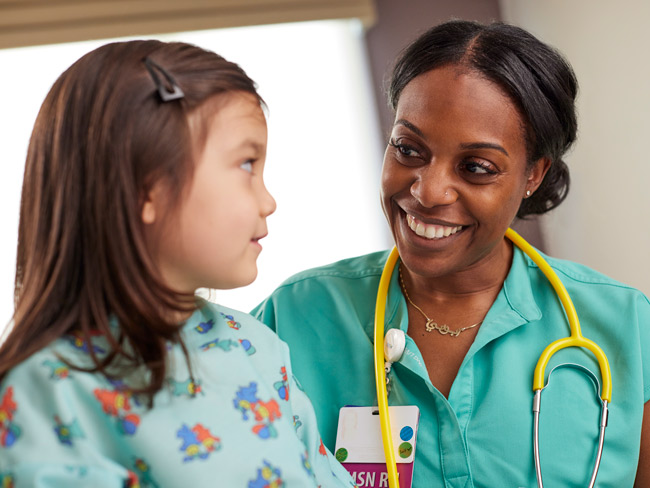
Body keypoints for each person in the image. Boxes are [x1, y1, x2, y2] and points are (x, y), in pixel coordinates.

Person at [253, 20, 650, 487]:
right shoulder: (293, 318)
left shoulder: (626, 323)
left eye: (476, 167)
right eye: (408, 149)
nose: (428, 190)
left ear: (533, 175)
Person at [0, 40, 355, 487]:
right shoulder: (47, 391)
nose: (269, 201)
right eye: (247, 164)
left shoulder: (254, 346)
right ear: (146, 187)